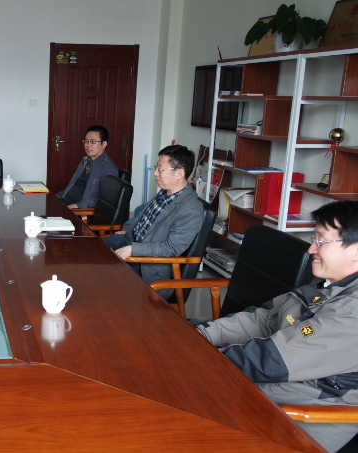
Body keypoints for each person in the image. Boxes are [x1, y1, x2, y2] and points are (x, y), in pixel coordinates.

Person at [196, 201, 358, 452]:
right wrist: (204, 334)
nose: (311, 249)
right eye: (314, 239)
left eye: (321, 240)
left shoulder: (352, 312)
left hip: (302, 422)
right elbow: (264, 318)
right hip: (271, 392)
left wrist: (200, 358)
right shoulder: (327, 285)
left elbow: (271, 361)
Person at [102, 145, 203, 298]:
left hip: (146, 265)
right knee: (90, 251)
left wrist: (133, 249)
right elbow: (144, 219)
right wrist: (129, 231)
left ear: (180, 173)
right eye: (156, 168)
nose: (155, 173)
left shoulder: (191, 209)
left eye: (160, 169)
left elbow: (171, 248)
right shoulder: (165, 192)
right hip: (130, 240)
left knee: (100, 275)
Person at [56, 125, 118, 209]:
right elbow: (73, 186)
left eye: (93, 142)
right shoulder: (85, 161)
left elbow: (107, 200)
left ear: (104, 144)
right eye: (86, 141)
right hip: (64, 200)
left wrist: (78, 205)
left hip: (77, 208)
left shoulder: (108, 168)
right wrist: (59, 195)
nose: (88, 145)